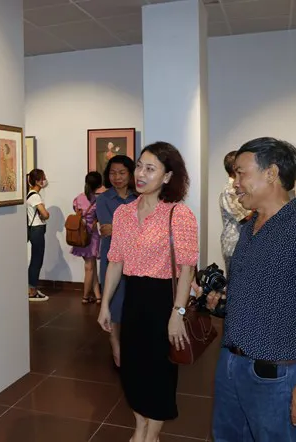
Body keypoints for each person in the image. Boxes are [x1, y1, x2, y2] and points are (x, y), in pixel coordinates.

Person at [208, 137, 296, 442]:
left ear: (271, 173)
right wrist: (224, 299)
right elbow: (261, 286)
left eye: (241, 173)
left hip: (274, 374)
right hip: (231, 363)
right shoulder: (249, 227)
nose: (235, 183)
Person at [98, 142, 198, 442]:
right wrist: (105, 305)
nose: (140, 174)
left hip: (163, 300)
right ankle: (140, 425)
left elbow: (187, 270)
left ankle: (151, 435)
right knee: (132, 369)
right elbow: (115, 262)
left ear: (167, 177)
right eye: (140, 166)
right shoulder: (124, 213)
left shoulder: (178, 214)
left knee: (159, 372)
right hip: (133, 298)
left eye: (150, 169)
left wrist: (178, 313)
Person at [96, 155, 137, 368]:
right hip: (111, 257)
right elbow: (106, 230)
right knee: (113, 301)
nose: (117, 177)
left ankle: (131, 345)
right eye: (112, 173)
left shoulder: (139, 198)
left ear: (130, 174)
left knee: (133, 301)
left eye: (122, 172)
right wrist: (133, 228)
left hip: (137, 258)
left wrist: (118, 228)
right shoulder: (103, 199)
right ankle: (115, 346)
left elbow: (143, 229)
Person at [70, 171, 103, 304]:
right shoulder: (98, 201)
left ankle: (98, 296)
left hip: (80, 234)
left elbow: (76, 212)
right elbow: (100, 217)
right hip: (91, 236)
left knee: (91, 266)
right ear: (99, 185)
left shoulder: (78, 198)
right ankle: (85, 296)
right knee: (90, 267)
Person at [219, 151, 252, 274]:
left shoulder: (239, 188)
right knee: (236, 282)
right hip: (234, 246)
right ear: (235, 168)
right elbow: (246, 218)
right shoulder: (230, 190)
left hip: (241, 244)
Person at [27, 169, 50, 302]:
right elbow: (45, 214)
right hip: (37, 229)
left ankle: (32, 288)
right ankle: (32, 290)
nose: (44, 181)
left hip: (34, 229)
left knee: (36, 259)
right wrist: (47, 214)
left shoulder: (30, 194)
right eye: (43, 178)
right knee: (37, 260)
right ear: (37, 181)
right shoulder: (35, 196)